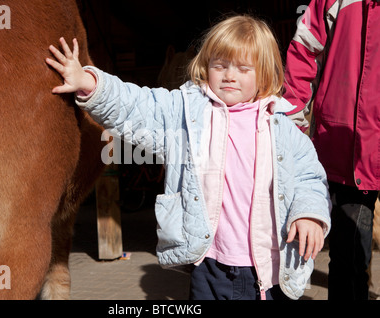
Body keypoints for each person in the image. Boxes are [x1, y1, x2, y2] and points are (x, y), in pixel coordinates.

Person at [46, 15, 331, 300]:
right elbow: (137, 106)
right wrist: (88, 82)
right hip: (209, 265)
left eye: (243, 68)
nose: (230, 75)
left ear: (265, 75)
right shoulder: (184, 112)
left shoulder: (282, 128)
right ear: (206, 66)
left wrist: (309, 214)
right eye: (220, 65)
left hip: (268, 270)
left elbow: (309, 177)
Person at [283, 0, 379, 300]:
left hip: (359, 147)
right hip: (345, 150)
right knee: (348, 257)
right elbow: (303, 54)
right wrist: (293, 126)